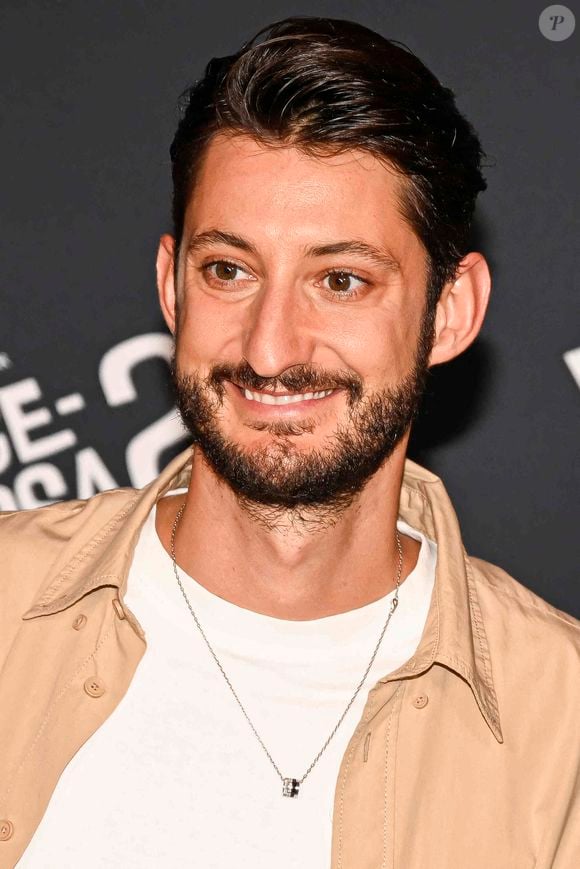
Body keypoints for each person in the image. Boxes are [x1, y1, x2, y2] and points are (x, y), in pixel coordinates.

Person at [0, 15, 578, 869]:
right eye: (228, 270)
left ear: (449, 311)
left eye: (340, 280)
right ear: (171, 286)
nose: (271, 347)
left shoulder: (562, 724)